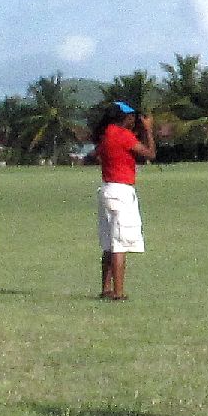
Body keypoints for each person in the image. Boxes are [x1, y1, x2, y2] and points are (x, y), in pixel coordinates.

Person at [92, 101, 155, 299]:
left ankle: (105, 288)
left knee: (109, 242)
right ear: (124, 118)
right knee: (120, 243)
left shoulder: (105, 134)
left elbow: (98, 156)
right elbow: (150, 153)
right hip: (122, 191)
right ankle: (118, 293)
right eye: (131, 117)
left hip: (107, 188)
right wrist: (148, 130)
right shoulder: (123, 135)